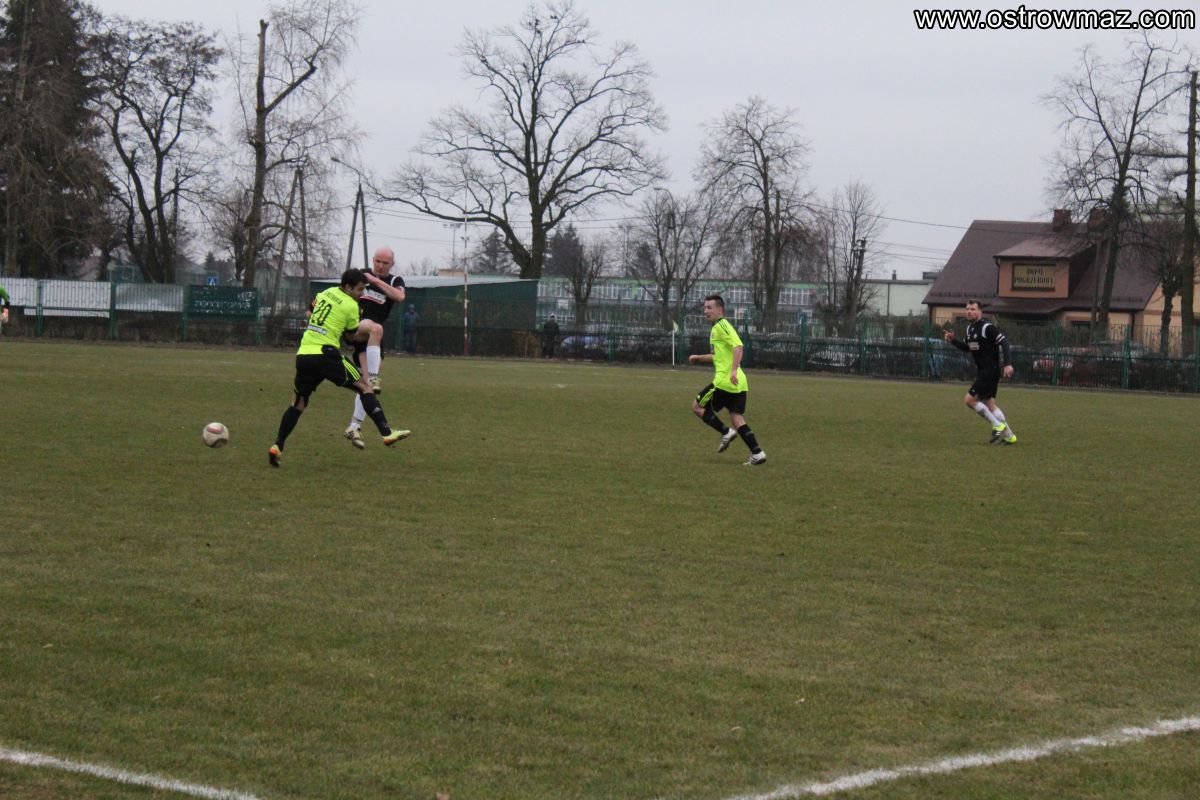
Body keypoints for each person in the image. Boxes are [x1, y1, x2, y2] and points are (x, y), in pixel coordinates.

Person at [268, 268, 409, 467]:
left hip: (304, 354)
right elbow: (351, 336)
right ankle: (387, 433)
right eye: (359, 289)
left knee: (298, 403)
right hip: (326, 354)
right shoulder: (352, 306)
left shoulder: (325, 293)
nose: (362, 293)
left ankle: (277, 445)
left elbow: (310, 313)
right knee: (365, 386)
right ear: (348, 287)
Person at [688, 294, 766, 465]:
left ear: (720, 310)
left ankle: (726, 432)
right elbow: (718, 356)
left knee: (697, 406)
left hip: (725, 381)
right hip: (739, 383)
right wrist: (699, 358)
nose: (705, 311)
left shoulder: (721, 326)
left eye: (709, 307)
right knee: (737, 417)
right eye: (705, 307)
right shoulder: (717, 328)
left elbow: (739, 346)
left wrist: (732, 371)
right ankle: (757, 453)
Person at [343, 246, 407, 449]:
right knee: (377, 328)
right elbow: (343, 291)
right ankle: (373, 376)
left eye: (385, 263)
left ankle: (354, 426)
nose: (380, 266)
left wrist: (376, 281)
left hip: (373, 341)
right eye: (377, 261)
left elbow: (400, 297)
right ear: (373, 260)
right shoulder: (361, 274)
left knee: (366, 386)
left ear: (392, 264)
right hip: (358, 327)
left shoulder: (395, 281)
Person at [943, 299, 1018, 444]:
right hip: (984, 371)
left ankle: (997, 425)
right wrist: (953, 340)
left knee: (970, 400)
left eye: (973, 309)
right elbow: (968, 348)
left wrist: (1007, 364)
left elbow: (1004, 342)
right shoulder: (969, 329)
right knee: (989, 404)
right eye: (967, 309)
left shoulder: (987, 327)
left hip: (990, 371)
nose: (969, 311)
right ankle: (1009, 436)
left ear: (980, 312)